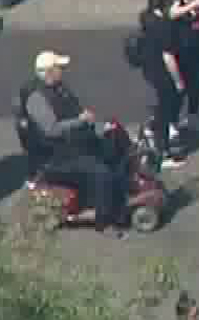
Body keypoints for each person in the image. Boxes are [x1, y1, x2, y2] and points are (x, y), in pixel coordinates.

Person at [19, 49, 124, 230]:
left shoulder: (58, 87)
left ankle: (107, 195)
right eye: (59, 67)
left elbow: (73, 112)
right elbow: (52, 130)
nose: (63, 71)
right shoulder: (37, 98)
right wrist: (80, 121)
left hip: (73, 143)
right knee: (102, 173)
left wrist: (92, 123)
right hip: (57, 156)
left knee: (111, 148)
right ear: (49, 72)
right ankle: (103, 216)